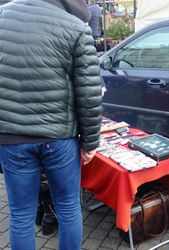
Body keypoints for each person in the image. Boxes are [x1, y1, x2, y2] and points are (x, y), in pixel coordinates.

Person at [0, 0, 103, 250]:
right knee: (67, 206)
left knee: (21, 214)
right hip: (59, 139)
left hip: (11, 138)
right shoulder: (76, 27)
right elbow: (89, 93)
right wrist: (90, 142)